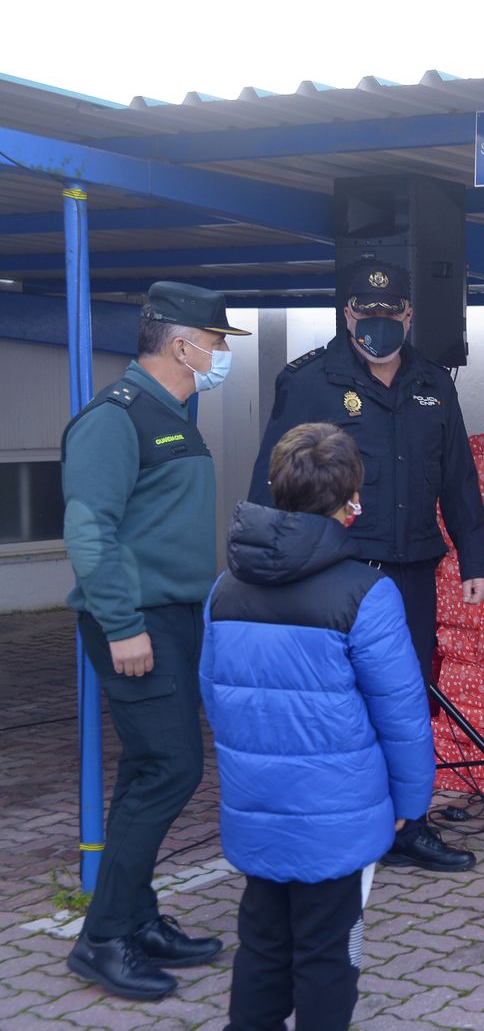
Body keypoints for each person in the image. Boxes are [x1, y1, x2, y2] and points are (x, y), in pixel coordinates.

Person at [247, 259, 484, 873]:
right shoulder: (308, 381)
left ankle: (410, 826)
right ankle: (340, 821)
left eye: (390, 313)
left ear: (409, 314)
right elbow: (272, 480)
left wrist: (475, 559)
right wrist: (268, 564)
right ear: (347, 314)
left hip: (411, 572)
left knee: (408, 701)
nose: (378, 324)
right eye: (366, 313)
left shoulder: (433, 382)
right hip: (338, 573)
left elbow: (458, 475)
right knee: (337, 701)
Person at [202, 423, 434, 1031]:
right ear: (351, 497)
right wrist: (411, 800)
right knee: (330, 954)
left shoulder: (224, 588)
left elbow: (215, 696)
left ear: (276, 486)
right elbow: (401, 713)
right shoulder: (367, 592)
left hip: (257, 799)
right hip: (337, 811)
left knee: (261, 942)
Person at [61, 281, 249, 1000]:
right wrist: (123, 625)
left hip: (173, 617)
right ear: (181, 344)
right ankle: (104, 938)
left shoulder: (171, 412)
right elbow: (89, 531)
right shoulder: (116, 419)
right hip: (136, 621)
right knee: (172, 769)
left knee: (149, 770)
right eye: (217, 341)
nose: (222, 353)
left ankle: (136, 919)